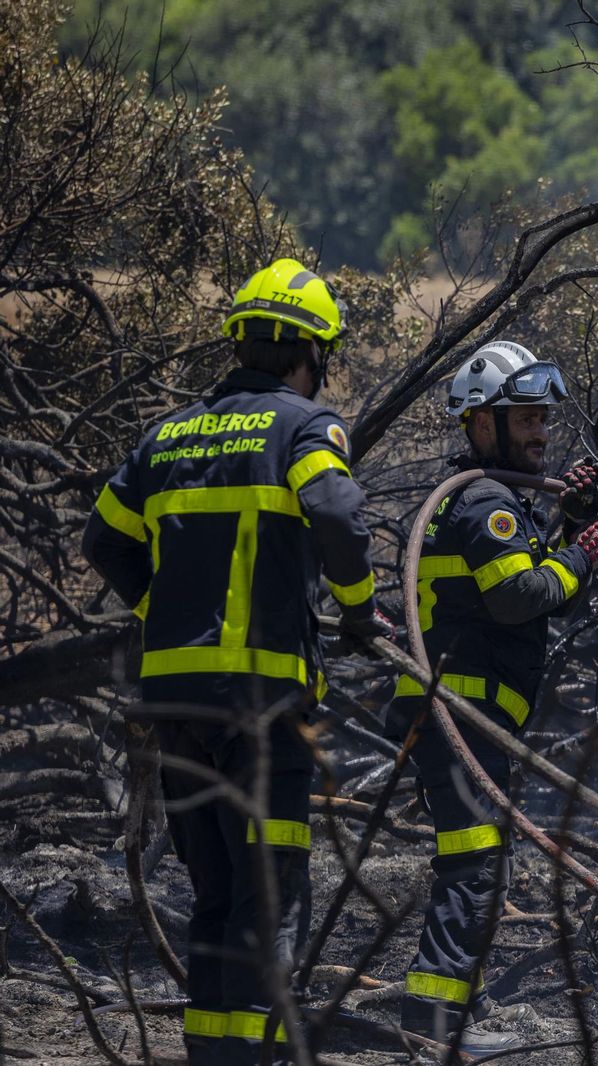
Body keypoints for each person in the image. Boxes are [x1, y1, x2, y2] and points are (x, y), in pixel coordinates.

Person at [83, 257, 393, 1065]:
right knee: (270, 898)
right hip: (259, 708)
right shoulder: (304, 426)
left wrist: (158, 609)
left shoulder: (168, 434)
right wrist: (360, 610)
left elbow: (103, 538)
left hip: (176, 708)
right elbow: (336, 516)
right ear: (310, 350)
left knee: (216, 898)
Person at [387, 341, 598, 1053]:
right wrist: (582, 554)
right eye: (525, 419)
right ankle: (435, 1028)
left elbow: (532, 587)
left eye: (543, 419)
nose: (540, 433)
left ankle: (457, 1005)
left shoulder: (474, 500)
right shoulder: (487, 504)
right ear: (482, 424)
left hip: (455, 713)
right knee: (476, 862)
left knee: (478, 860)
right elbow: (520, 596)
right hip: (464, 714)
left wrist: (572, 531)